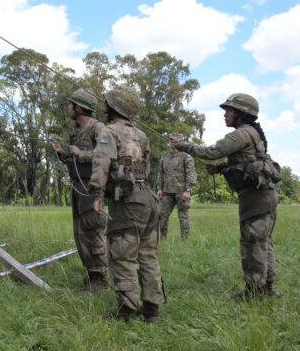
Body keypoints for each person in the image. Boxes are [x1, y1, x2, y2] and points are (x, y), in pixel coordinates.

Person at [171, 93, 278, 301]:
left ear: (241, 114)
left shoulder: (240, 134)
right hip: (264, 194)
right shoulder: (251, 134)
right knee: (264, 241)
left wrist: (184, 147)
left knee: (252, 242)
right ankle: (267, 289)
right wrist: (221, 169)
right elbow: (246, 162)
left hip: (256, 197)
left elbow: (213, 151)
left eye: (229, 111)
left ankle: (254, 293)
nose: (225, 115)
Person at [89, 85, 165, 322]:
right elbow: (147, 168)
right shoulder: (142, 136)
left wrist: (97, 196)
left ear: (113, 107)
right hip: (148, 199)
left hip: (127, 203)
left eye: (107, 104)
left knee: (122, 255)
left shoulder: (108, 133)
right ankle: (152, 309)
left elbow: (101, 163)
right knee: (148, 256)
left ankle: (127, 310)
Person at [49, 89, 109, 292]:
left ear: (79, 107)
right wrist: (62, 154)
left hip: (92, 188)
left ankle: (101, 279)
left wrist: (81, 154)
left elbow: (106, 155)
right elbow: (74, 161)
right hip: (78, 188)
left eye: (70, 104)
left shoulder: (98, 128)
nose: (68, 108)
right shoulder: (76, 132)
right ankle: (93, 274)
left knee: (93, 231)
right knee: (81, 234)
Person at [155, 134, 196, 239]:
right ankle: (161, 238)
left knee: (183, 216)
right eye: (170, 140)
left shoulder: (186, 156)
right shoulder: (165, 156)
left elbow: (191, 174)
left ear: (180, 143)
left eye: (174, 141)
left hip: (181, 191)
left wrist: (188, 190)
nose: (171, 142)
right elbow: (160, 173)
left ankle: (185, 239)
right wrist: (159, 188)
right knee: (161, 215)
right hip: (166, 191)